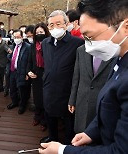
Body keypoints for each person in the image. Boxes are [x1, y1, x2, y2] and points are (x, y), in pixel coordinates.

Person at [39, 0, 128, 153]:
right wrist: (91, 132)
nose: (88, 45)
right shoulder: (119, 58)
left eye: (90, 36)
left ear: (125, 27)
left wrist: (62, 151)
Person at [40, 10, 84, 144]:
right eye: (51, 25)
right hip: (48, 86)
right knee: (49, 113)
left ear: (66, 24)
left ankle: (67, 143)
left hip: (67, 89)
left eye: (58, 24)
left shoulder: (77, 43)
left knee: (68, 119)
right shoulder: (45, 43)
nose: (54, 28)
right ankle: (52, 137)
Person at [68, 45, 115, 133]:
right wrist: (72, 99)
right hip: (82, 100)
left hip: (103, 103)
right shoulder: (81, 50)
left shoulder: (115, 51)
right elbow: (76, 76)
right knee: (80, 132)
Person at [27, 22, 50, 131]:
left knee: (46, 98)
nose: (39, 34)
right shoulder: (32, 46)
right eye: (37, 32)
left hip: (47, 74)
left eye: (41, 32)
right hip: (35, 75)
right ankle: (37, 116)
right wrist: (29, 72)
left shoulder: (50, 45)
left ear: (46, 32)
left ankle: (45, 120)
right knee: (37, 98)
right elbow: (29, 61)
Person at [7, 29, 30, 114]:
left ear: (22, 37)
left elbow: (29, 61)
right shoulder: (12, 45)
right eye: (15, 37)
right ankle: (14, 102)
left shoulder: (28, 47)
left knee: (22, 89)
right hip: (13, 70)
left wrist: (27, 72)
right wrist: (9, 54)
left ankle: (22, 105)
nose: (17, 39)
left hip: (22, 71)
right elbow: (10, 57)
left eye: (18, 37)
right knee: (12, 88)